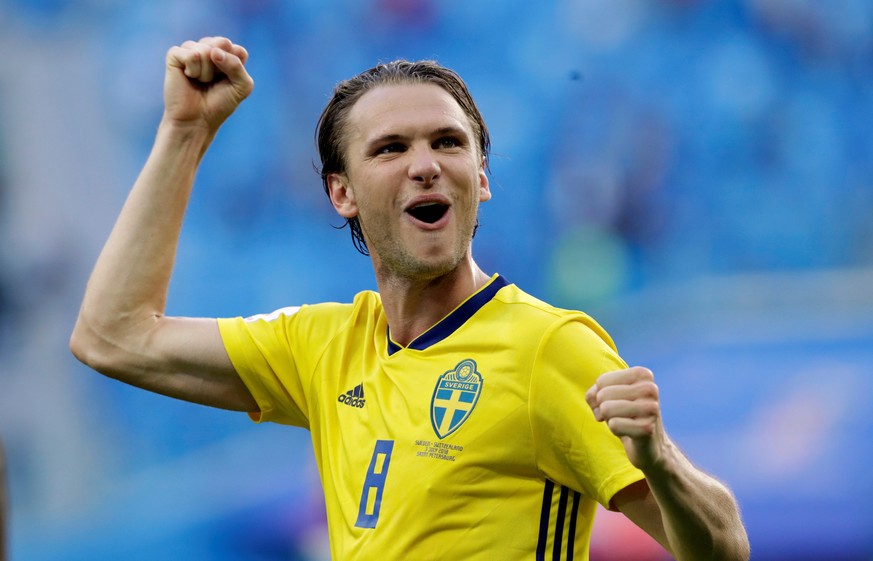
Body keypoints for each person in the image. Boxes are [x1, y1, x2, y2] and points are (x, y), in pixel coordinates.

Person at [70, 36, 750, 560]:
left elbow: (722, 547)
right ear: (342, 194)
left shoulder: (548, 346)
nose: (424, 163)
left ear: (479, 178)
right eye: (391, 148)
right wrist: (186, 132)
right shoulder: (323, 347)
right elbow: (113, 336)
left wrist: (656, 458)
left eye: (447, 143)